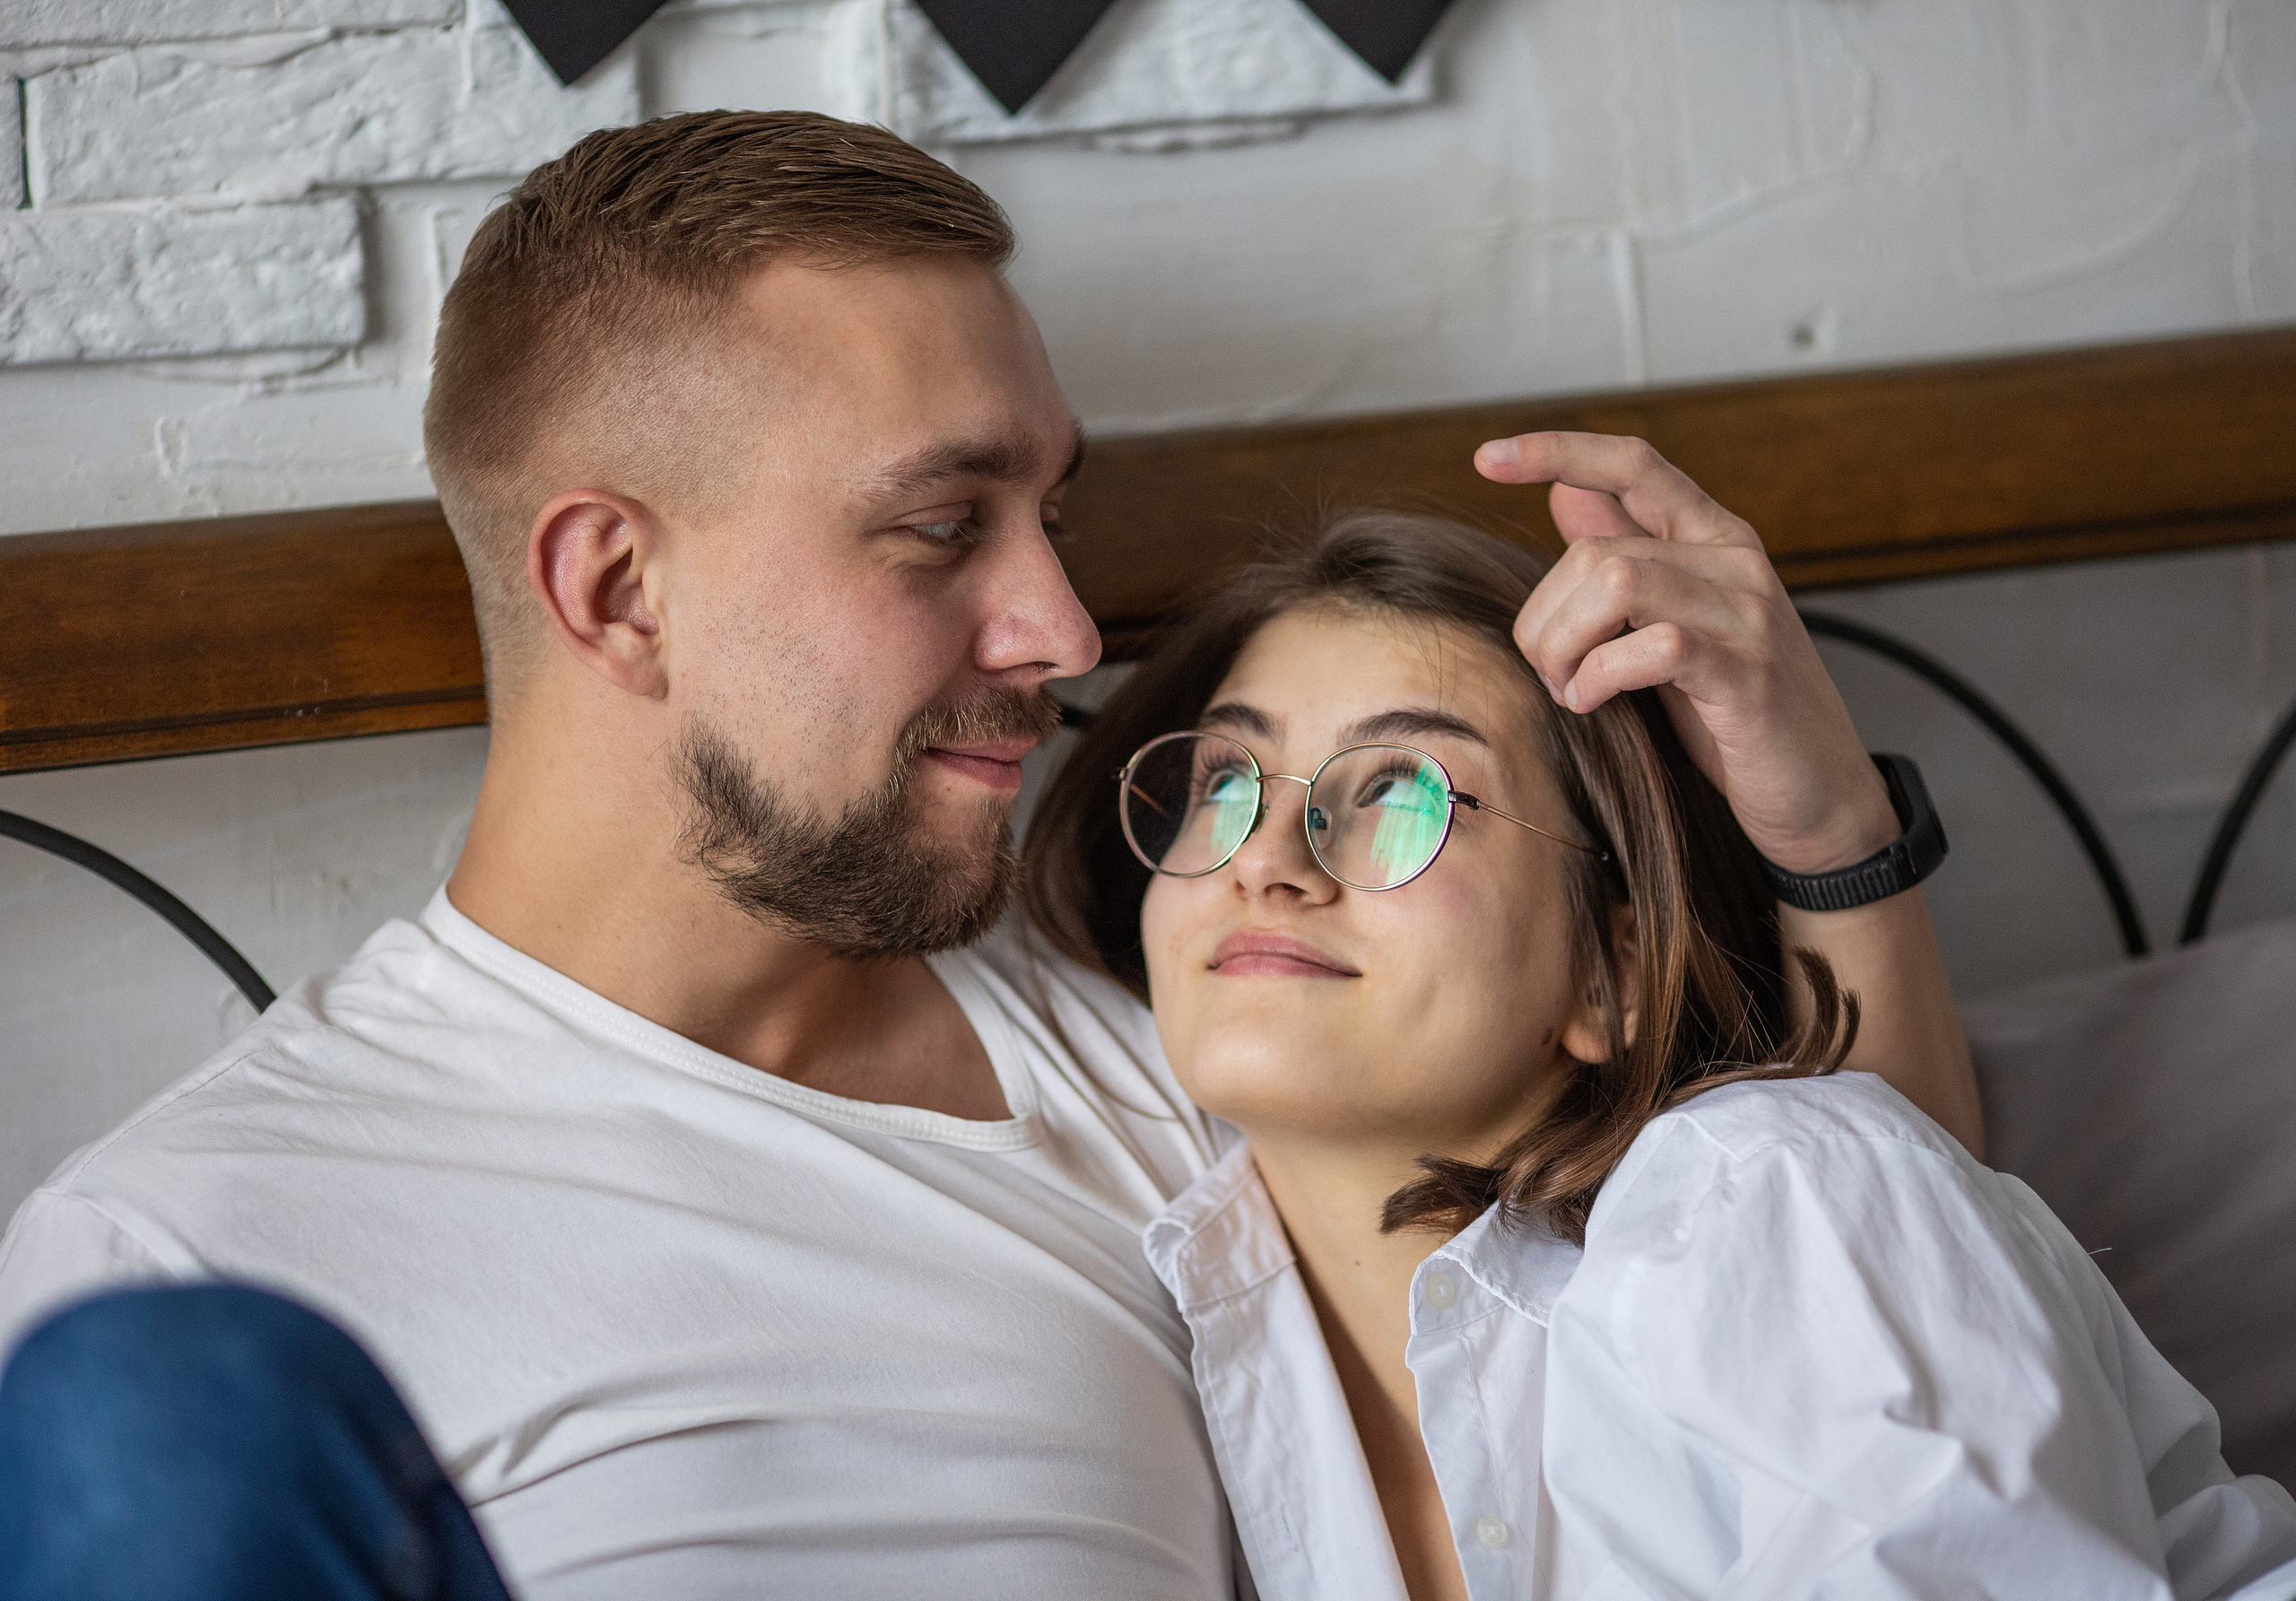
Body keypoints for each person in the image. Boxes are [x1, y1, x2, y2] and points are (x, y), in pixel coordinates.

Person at [0, 111, 1974, 1597]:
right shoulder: (201, 1227)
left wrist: (1821, 832)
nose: (1059, 627)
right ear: (615, 588)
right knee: (143, 1421)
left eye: (1051, 518)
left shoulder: (1193, 1034)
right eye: (944, 528)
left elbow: (1855, 1334)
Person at [1022, 497, 2296, 1601]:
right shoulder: (1145, 1362)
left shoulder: (1774, 1189)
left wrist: (1838, 838)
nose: (1266, 861)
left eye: (1405, 795)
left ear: (1614, 971)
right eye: (1226, 782)